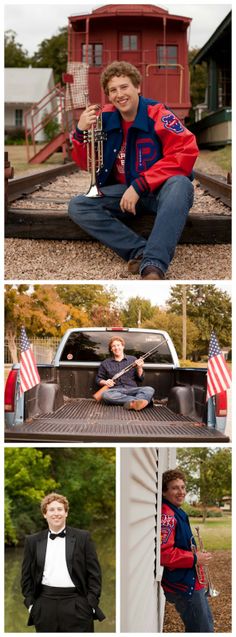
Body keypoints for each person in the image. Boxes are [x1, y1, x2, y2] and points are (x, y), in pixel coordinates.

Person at [68, 60, 199, 280]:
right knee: (77, 206)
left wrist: (140, 184)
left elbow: (185, 151)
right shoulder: (104, 118)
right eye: (113, 90)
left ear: (137, 87)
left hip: (158, 192)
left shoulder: (158, 113)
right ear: (108, 96)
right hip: (123, 194)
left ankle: (153, 266)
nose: (119, 94)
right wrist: (80, 132)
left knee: (181, 184)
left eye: (124, 86)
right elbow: (86, 163)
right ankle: (140, 251)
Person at [21, 492, 105, 633]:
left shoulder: (83, 537)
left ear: (66, 513)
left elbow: (94, 574)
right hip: (44, 605)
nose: (56, 513)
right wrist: (31, 605)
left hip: (77, 604)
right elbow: (26, 576)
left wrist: (90, 603)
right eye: (51, 510)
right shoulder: (32, 541)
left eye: (60, 509)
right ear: (44, 514)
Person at [161, 468, 214, 633]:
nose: (181, 492)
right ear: (164, 492)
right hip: (183, 584)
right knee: (202, 630)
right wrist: (195, 558)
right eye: (175, 488)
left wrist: (197, 556)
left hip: (190, 580)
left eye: (183, 487)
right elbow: (164, 554)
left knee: (206, 624)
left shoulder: (178, 511)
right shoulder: (167, 516)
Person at [95, 335, 155, 410]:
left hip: (132, 389)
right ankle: (143, 402)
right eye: (113, 346)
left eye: (118, 345)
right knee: (105, 395)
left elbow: (140, 379)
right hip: (115, 391)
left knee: (149, 389)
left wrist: (139, 367)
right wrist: (105, 382)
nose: (116, 348)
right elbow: (98, 379)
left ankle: (136, 402)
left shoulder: (133, 359)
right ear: (111, 349)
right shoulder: (105, 363)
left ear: (123, 346)